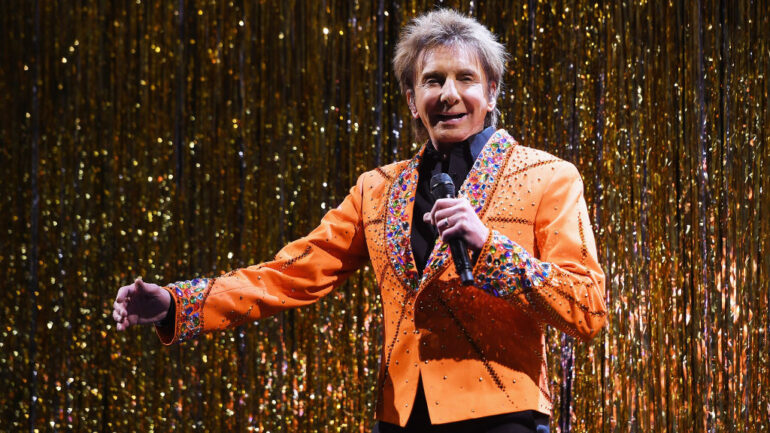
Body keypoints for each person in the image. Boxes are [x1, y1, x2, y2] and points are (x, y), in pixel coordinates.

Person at [112, 9, 607, 432]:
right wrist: (179, 303)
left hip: (505, 416)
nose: (448, 94)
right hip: (400, 416)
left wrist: (488, 245)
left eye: (466, 78)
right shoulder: (378, 188)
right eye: (432, 80)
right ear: (413, 100)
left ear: (492, 92)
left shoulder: (549, 177)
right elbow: (293, 273)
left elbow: (587, 309)